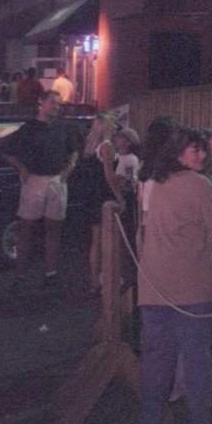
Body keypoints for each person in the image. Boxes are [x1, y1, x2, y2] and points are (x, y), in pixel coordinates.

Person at [136, 126, 212, 424]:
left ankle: (149, 419)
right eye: (195, 150)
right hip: (192, 284)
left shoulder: (155, 184)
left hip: (153, 283)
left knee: (155, 357)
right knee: (196, 356)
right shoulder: (200, 184)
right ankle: (200, 421)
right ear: (178, 153)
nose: (201, 155)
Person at [0, 90, 79, 283]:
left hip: (56, 180)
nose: (57, 107)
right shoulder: (29, 128)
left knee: (54, 227)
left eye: (58, 104)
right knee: (26, 227)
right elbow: (5, 150)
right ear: (41, 103)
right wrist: (21, 168)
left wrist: (70, 167)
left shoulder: (62, 127)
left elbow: (74, 150)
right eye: (53, 103)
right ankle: (20, 273)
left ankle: (51, 272)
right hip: (35, 179)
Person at [79, 114, 124, 294]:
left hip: (90, 194)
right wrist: (119, 196)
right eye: (113, 124)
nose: (115, 127)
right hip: (103, 194)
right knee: (109, 239)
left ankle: (94, 280)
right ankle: (108, 277)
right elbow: (109, 175)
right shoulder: (107, 146)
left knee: (95, 240)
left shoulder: (90, 147)